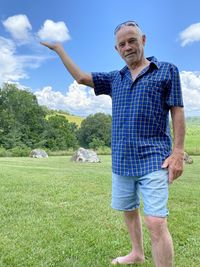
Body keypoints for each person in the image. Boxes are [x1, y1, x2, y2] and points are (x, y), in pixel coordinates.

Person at [41, 20, 185, 267]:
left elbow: (177, 111)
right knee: (129, 211)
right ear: (117, 50)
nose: (128, 46)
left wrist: (178, 152)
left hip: (154, 158)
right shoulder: (114, 79)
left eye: (132, 40)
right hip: (122, 160)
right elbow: (81, 78)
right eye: (122, 44)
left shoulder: (166, 70)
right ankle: (137, 253)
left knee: (156, 222)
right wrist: (59, 49)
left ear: (143, 40)